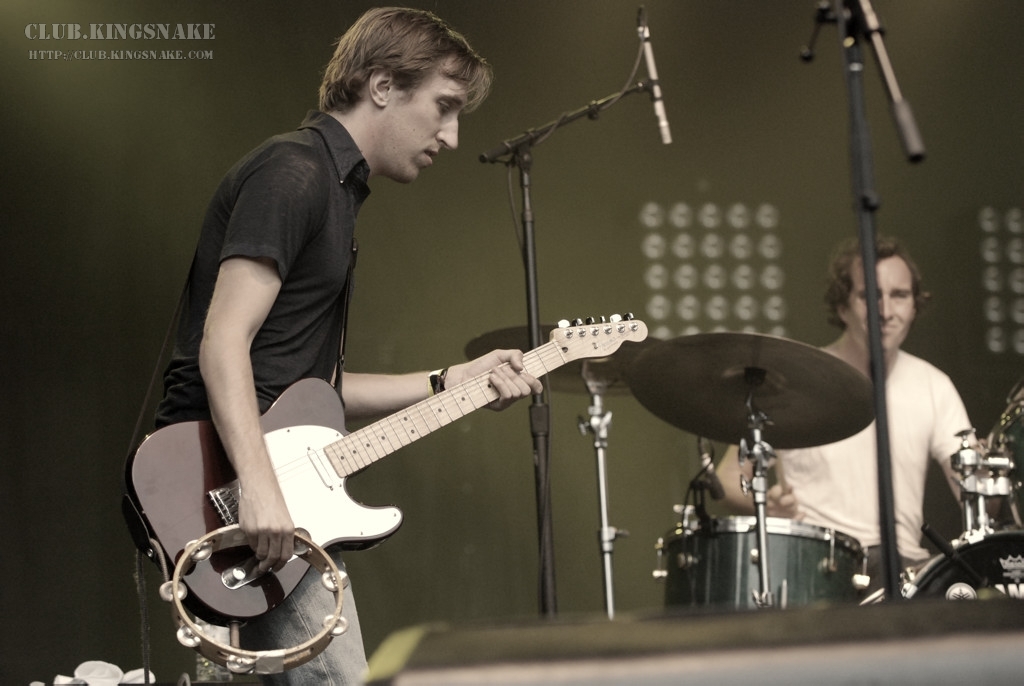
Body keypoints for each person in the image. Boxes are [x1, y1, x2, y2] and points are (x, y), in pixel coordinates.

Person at [152, 8, 542, 684]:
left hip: (257, 487)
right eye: (444, 107)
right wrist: (259, 489)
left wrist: (449, 380)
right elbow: (223, 341)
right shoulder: (294, 171)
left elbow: (310, 390)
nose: (452, 137)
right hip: (223, 487)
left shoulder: (333, 192)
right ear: (383, 85)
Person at [715, 235, 972, 595]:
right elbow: (728, 478)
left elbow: (975, 496)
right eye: (870, 296)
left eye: (900, 295)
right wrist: (765, 505)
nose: (886, 310)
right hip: (817, 565)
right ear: (842, 307)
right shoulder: (794, 380)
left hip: (905, 570)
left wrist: (997, 468)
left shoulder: (934, 385)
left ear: (915, 305)